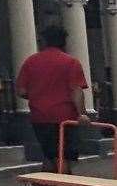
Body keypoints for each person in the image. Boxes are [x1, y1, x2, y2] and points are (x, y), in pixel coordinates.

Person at [16, 24, 89, 173]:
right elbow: (76, 90)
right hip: (65, 116)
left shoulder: (31, 62)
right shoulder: (70, 62)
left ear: (44, 41)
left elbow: (22, 91)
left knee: (49, 154)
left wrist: (38, 95)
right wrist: (82, 113)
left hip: (39, 116)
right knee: (63, 155)